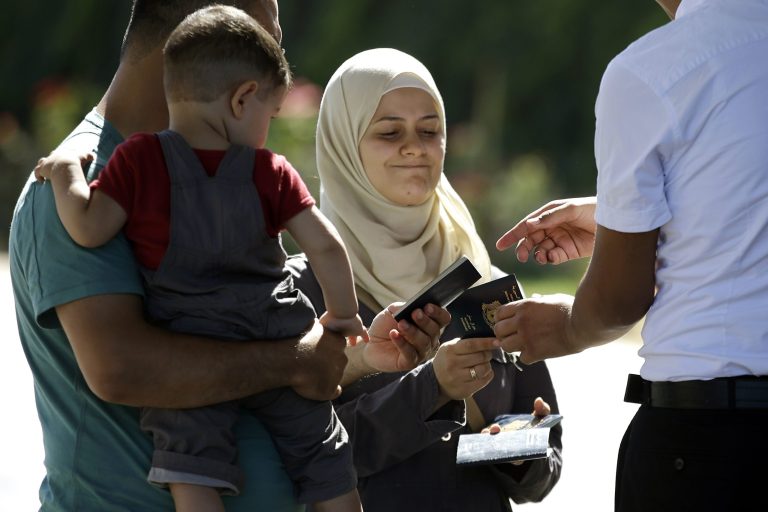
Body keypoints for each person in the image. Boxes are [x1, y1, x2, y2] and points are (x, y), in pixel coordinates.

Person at [9, 2, 447, 511]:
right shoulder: (86, 175)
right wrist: (300, 357)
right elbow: (120, 369)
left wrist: (354, 356)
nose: (278, 59)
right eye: (270, 39)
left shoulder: (229, 168)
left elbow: (251, 331)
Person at [494, 1, 768, 510]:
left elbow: (618, 301)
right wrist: (621, 218)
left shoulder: (653, 70)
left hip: (711, 442)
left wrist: (568, 325)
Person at [286, 48, 562, 512]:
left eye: (430, 131)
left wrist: (515, 449)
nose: (414, 147)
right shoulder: (303, 292)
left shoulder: (480, 277)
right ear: (343, 144)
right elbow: (299, 451)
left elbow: (541, 473)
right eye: (389, 132)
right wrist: (431, 388)